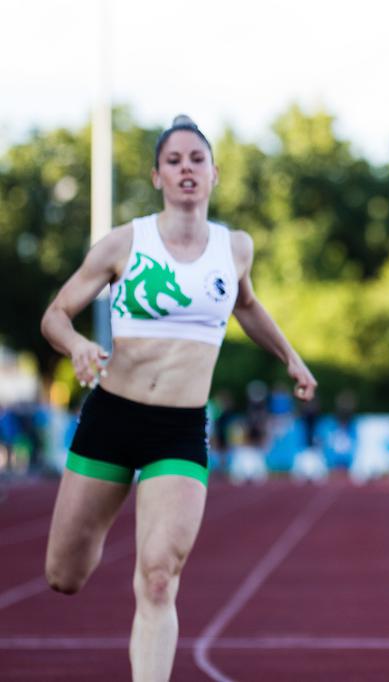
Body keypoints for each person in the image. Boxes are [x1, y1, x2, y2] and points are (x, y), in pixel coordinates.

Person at [39, 115, 316, 681]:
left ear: (214, 174)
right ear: (157, 175)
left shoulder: (234, 247)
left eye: (197, 160)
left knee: (160, 577)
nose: (186, 169)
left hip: (179, 430)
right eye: (175, 160)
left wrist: (289, 356)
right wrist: (77, 347)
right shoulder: (123, 242)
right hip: (112, 418)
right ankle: (93, 530)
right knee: (64, 575)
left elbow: (246, 306)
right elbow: (55, 315)